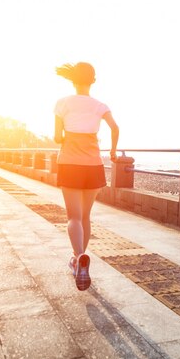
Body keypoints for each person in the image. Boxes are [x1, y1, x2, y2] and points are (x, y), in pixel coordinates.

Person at [53, 62, 119, 291]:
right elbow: (115, 128)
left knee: (73, 217)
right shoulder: (100, 106)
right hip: (93, 165)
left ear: (73, 80)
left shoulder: (62, 104)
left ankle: (78, 257)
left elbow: (56, 137)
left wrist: (67, 137)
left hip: (70, 163)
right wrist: (111, 151)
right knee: (86, 217)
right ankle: (80, 258)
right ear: (93, 80)